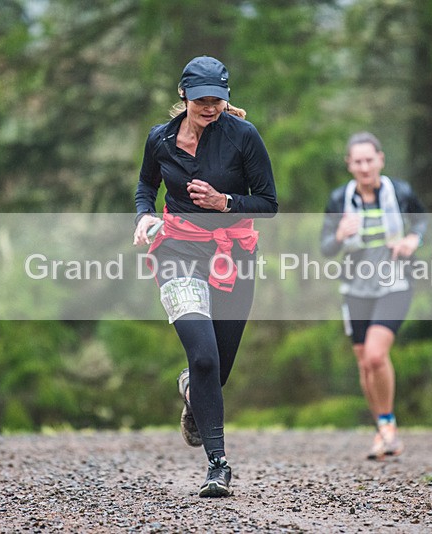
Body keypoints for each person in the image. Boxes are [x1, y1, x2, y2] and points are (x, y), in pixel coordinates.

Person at [133, 56, 278, 496]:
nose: (210, 107)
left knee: (219, 369)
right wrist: (144, 216)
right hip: (176, 251)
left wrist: (225, 203)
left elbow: (268, 203)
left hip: (234, 254)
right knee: (204, 358)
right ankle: (218, 465)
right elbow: (146, 187)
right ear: (184, 95)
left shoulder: (243, 137)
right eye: (202, 100)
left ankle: (193, 392)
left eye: (218, 100)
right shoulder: (160, 140)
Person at [320, 132, 427, 460]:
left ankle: (387, 427)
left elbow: (421, 220)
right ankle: (384, 429)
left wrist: (411, 241)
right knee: (365, 363)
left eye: (370, 159)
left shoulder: (401, 192)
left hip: (395, 283)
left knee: (377, 356)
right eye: (358, 161)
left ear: (381, 159)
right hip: (356, 289)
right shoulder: (340, 200)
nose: (365, 166)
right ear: (349, 164)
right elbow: (326, 248)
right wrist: (339, 235)